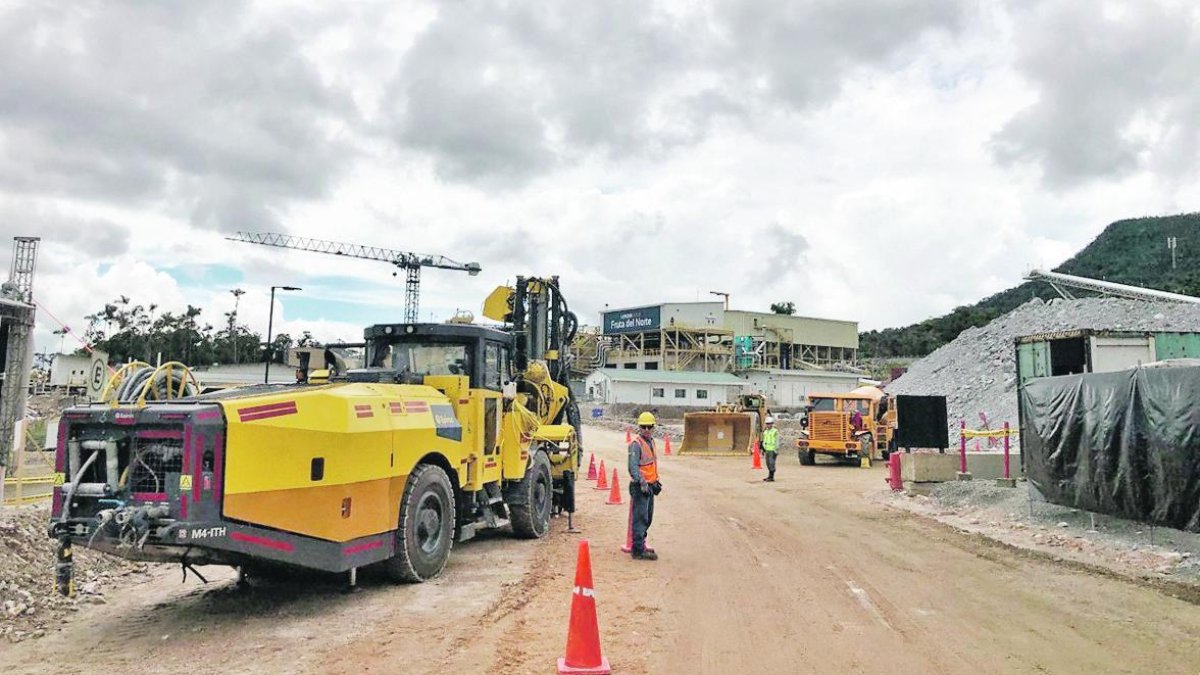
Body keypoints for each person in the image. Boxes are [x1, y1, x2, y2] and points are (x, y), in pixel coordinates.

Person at [628, 411, 662, 561]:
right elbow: (633, 467)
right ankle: (638, 550)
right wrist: (642, 482)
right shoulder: (636, 444)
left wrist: (656, 481)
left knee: (648, 518)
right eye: (644, 427)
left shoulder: (651, 442)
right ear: (639, 427)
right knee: (640, 518)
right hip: (640, 487)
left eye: (649, 427)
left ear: (653, 427)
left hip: (649, 486)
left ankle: (642, 544)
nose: (646, 430)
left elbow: (651, 464)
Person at [761, 416, 779, 482]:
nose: (768, 425)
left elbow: (777, 441)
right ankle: (769, 476)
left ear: (772, 424)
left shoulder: (775, 431)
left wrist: (776, 449)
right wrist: (763, 448)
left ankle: (771, 477)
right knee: (768, 463)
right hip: (767, 450)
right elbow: (764, 440)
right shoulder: (765, 432)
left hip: (772, 450)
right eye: (767, 423)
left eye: (769, 423)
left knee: (771, 463)